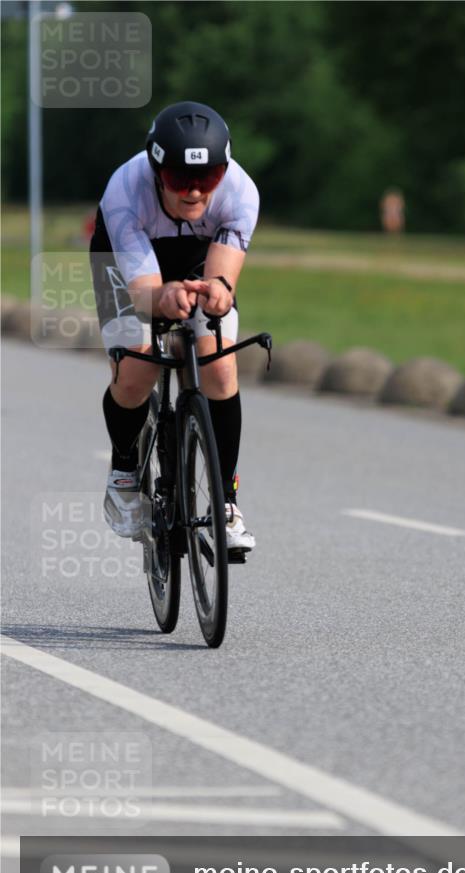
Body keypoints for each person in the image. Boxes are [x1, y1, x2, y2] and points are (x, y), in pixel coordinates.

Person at [89, 100, 259, 552]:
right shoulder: (126, 191)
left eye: (207, 181)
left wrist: (219, 290)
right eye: (181, 180)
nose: (194, 193)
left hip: (197, 257)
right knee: (139, 367)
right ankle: (124, 471)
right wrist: (163, 297)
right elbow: (146, 291)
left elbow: (222, 274)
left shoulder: (241, 193)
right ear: (155, 167)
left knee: (218, 366)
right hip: (127, 262)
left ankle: (225, 501)